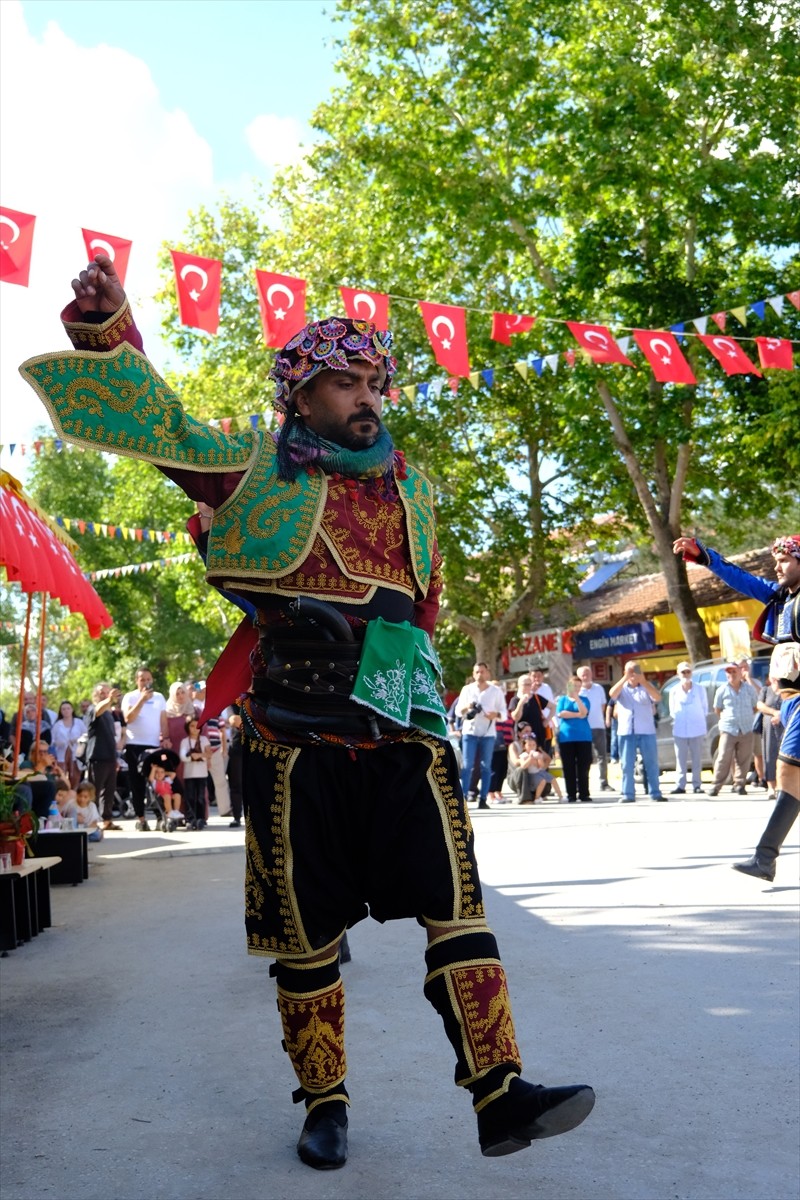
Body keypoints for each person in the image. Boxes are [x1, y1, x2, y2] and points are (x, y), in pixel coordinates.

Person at [19, 254, 595, 1171]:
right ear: (302, 391)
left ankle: (499, 1093)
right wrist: (109, 329)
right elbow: (167, 433)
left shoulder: (415, 490)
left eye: (375, 381)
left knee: (460, 912)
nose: (367, 397)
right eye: (344, 381)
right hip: (294, 743)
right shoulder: (255, 470)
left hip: (405, 736)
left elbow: (428, 609)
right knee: (309, 936)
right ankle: (324, 1103)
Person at [733, 642, 800, 881]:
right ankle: (764, 858)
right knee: (790, 782)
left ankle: (764, 858)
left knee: (789, 776)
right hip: (793, 699)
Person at [672, 534, 800, 643]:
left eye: (783, 561)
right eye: (776, 562)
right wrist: (703, 555)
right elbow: (740, 578)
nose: (776, 568)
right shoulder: (777, 595)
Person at [456, 664, 509, 810]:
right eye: (477, 672)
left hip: (488, 733)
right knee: (467, 766)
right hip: (470, 731)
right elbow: (458, 711)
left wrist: (495, 715)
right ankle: (463, 798)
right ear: (473, 674)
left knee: (486, 767)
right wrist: (468, 707)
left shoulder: (495, 691)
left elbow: (504, 713)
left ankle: (483, 798)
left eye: (482, 671)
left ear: (488, 673)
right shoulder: (467, 690)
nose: (480, 674)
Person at [608, 663, 663, 802]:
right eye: (630, 670)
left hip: (646, 730)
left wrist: (643, 681)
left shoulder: (646, 687)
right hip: (626, 731)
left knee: (651, 763)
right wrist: (625, 677)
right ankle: (628, 794)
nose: (633, 673)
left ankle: (655, 793)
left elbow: (657, 698)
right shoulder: (622, 688)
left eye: (636, 670)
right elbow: (612, 694)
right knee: (627, 764)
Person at [121, 667, 167, 831]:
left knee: (156, 781)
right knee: (137, 783)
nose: (146, 682)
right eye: (142, 679)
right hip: (135, 745)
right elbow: (128, 718)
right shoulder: (130, 697)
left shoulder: (160, 697)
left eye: (148, 679)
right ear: (136, 681)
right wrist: (141, 699)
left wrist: (166, 738)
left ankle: (160, 816)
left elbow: (163, 720)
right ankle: (141, 818)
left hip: (154, 745)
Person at [706, 662, 758, 796]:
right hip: (729, 728)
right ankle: (716, 785)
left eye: (734, 671)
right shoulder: (722, 690)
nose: (732, 675)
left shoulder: (749, 689)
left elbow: (755, 706)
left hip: (746, 728)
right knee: (723, 757)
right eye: (729, 672)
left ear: (740, 672)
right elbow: (717, 709)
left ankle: (739, 784)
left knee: (744, 758)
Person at [84, 682, 124, 830]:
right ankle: (92, 821)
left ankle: (107, 820)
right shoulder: (92, 709)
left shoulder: (109, 714)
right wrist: (109, 700)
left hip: (110, 757)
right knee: (94, 790)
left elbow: (112, 737)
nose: (104, 694)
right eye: (101, 692)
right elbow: (98, 710)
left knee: (109, 791)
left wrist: (116, 757)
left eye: (106, 692)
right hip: (97, 756)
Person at [668, 662, 708, 795]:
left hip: (697, 728)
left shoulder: (700, 689)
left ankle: (697, 785)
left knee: (697, 758)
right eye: (683, 672)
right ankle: (680, 785)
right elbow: (672, 711)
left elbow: (705, 707)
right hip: (680, 729)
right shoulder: (673, 690)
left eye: (688, 672)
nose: (686, 675)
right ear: (678, 674)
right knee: (680, 759)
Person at [555, 677, 593, 803]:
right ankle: (571, 793)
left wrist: (577, 699)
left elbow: (585, 712)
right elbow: (561, 713)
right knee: (568, 767)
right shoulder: (562, 699)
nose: (576, 688)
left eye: (578, 686)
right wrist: (577, 715)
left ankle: (584, 793)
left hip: (583, 737)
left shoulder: (584, 700)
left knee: (583, 766)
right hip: (567, 737)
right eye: (573, 686)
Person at [576, 666, 611, 792]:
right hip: (582, 728)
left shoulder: (599, 688)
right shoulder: (575, 690)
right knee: (584, 757)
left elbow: (603, 705)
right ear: (578, 676)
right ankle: (582, 785)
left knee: (602, 756)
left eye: (587, 674)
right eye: (583, 675)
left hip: (598, 726)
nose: (585, 677)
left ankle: (604, 783)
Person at [179, 717, 212, 830]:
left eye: (197, 726)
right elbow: (183, 756)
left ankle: (201, 818)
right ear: (187, 727)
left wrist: (199, 756)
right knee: (190, 797)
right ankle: (190, 818)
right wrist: (190, 757)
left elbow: (209, 754)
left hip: (201, 773)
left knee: (201, 797)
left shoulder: (204, 740)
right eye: (192, 726)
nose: (195, 729)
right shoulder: (185, 741)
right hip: (189, 774)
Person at [756, 680, 784, 801]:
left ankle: (782, 787)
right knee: (769, 755)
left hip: (785, 726)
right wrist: (773, 712)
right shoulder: (766, 690)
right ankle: (771, 787)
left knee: (785, 757)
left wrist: (781, 715)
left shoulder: (787, 690)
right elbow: (760, 705)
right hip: (769, 728)